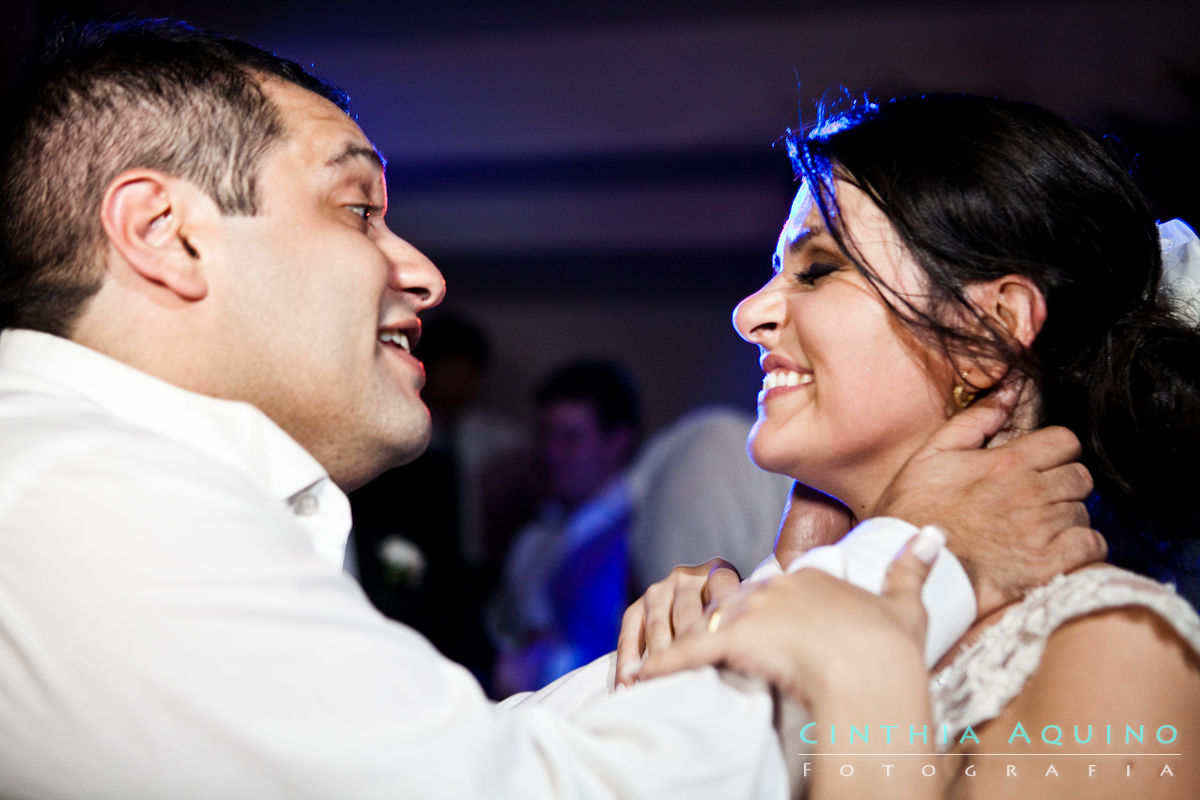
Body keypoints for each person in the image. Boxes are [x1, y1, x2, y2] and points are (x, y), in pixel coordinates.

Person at [0, 19, 1101, 797]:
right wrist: (918, 559)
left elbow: (463, 756)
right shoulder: (85, 503)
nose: (421, 271)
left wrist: (787, 594)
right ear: (166, 233)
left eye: (818, 269)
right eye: (358, 209)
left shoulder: (1109, 640)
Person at [633, 94, 1200, 798]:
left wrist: (855, 665)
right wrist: (769, 596)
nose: (749, 313)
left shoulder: (1113, 653)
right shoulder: (763, 593)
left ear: (992, 329)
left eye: (818, 269)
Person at [491, 360, 639, 693]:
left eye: (570, 438)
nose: (551, 453)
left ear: (617, 443)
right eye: (546, 435)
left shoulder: (638, 532)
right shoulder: (531, 538)